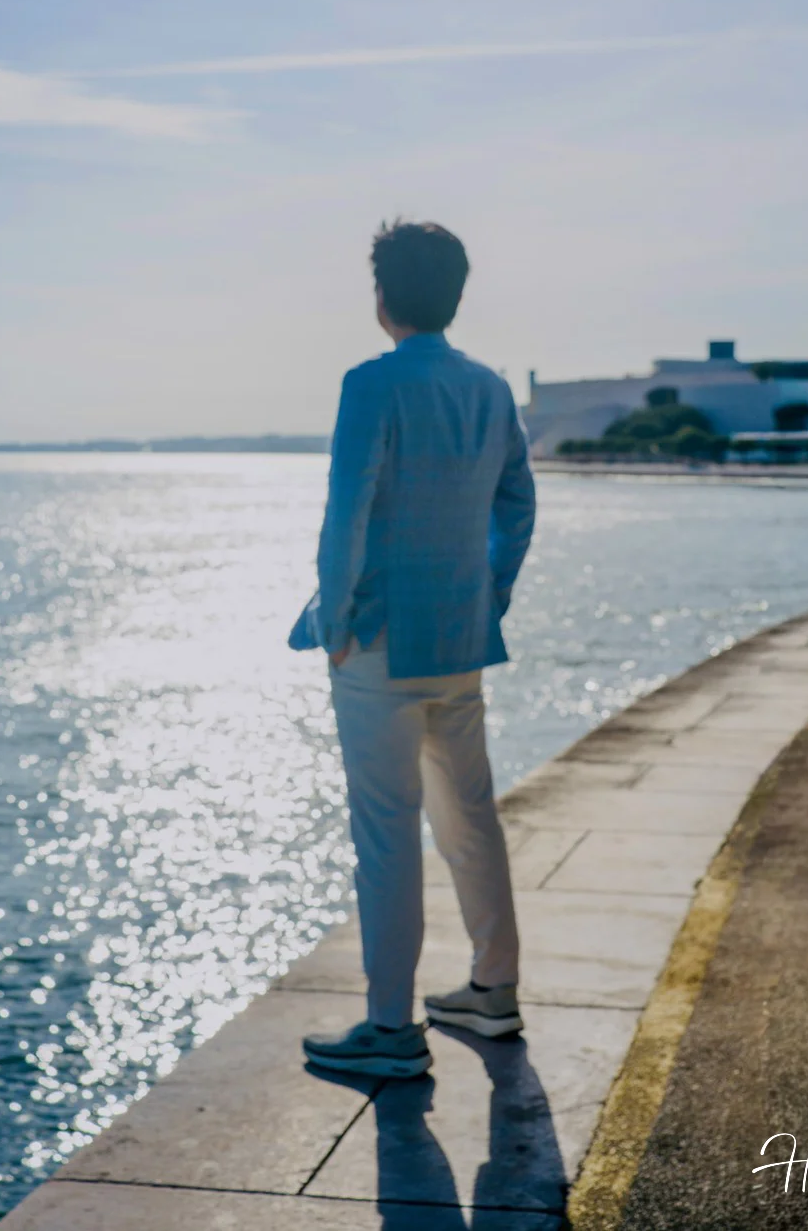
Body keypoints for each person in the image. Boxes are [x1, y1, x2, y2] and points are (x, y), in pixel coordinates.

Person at [289, 220, 536, 1078]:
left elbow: (345, 514)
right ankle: (493, 991)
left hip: (380, 644)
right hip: (459, 638)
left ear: (382, 298)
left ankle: (391, 1029)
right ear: (456, 294)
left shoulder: (372, 384)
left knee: (388, 833)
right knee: (469, 816)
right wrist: (489, 593)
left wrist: (334, 625)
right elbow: (517, 507)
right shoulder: (491, 389)